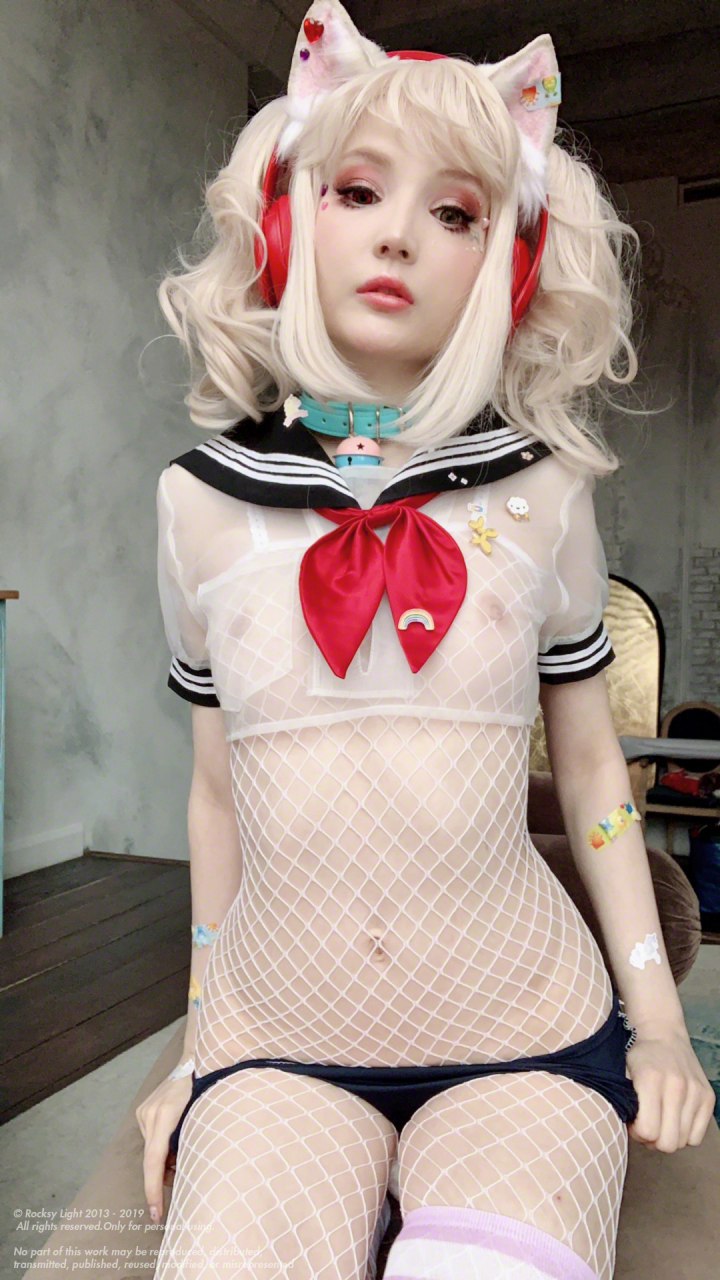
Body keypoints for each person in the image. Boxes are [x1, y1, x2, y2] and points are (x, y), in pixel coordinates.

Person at [135, 3, 716, 1277]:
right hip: (277, 1039)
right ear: (286, 219)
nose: (398, 231)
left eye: (455, 211)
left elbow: (596, 773)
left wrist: (662, 1023)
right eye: (357, 189)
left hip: (526, 1033)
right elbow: (217, 796)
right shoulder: (196, 503)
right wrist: (199, 1038)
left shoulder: (548, 490)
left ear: (505, 258)